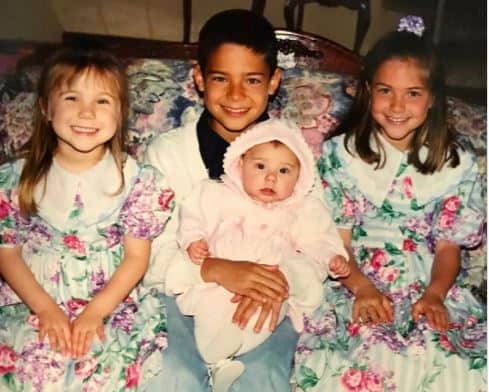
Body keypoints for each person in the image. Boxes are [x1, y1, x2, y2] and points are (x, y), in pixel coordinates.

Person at [294, 17, 487, 391]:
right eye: (386, 90)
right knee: (365, 362)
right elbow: (337, 244)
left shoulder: (454, 163)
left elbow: (449, 248)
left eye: (413, 93)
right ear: (368, 92)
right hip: (357, 281)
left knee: (454, 364)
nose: (398, 105)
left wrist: (434, 294)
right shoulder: (342, 156)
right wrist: (362, 287)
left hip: (430, 283)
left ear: (432, 99)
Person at [143, 9, 318, 392]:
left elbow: (317, 242)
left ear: (273, 82)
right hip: (185, 294)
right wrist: (215, 269)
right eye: (221, 79)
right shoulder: (168, 154)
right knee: (175, 376)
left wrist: (281, 277)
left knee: (261, 379)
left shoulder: (296, 157)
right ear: (199, 79)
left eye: (252, 80)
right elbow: (149, 255)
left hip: (267, 297)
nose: (236, 95)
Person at [0, 48, 175, 391]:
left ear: (121, 113)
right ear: (46, 109)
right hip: (34, 297)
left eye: (102, 101)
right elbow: (7, 254)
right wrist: (46, 310)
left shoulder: (138, 180)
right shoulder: (14, 179)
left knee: (101, 367)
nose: (86, 112)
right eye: (71, 97)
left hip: (108, 299)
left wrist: (95, 311)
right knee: (32, 368)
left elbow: (137, 258)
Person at [174, 119, 350, 391]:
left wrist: (332, 257)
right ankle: (214, 358)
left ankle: (227, 363)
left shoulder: (302, 210)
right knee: (211, 307)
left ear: (300, 177)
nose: (271, 178)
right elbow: (192, 215)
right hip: (222, 280)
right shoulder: (217, 194)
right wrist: (193, 240)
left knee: (267, 314)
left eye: (284, 170)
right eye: (260, 166)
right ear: (240, 164)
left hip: (269, 288)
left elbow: (319, 239)